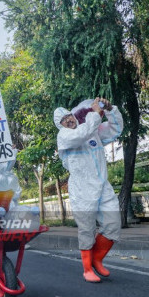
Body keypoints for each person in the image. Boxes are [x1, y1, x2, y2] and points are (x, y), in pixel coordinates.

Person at [54, 97, 123, 283]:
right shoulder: (64, 137)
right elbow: (82, 134)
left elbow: (115, 129)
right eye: (63, 120)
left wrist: (109, 109)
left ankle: (97, 259)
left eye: (69, 116)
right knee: (87, 230)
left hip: (102, 187)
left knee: (113, 224)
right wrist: (94, 113)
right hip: (82, 191)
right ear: (60, 126)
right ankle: (87, 269)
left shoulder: (93, 131)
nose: (68, 120)